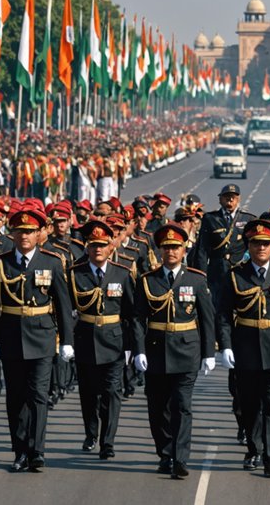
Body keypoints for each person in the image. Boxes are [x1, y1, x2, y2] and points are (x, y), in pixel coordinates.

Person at [0, 208, 75, 472]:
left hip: (42, 336)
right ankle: (20, 450)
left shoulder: (52, 262)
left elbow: (62, 303)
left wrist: (67, 340)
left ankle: (37, 451)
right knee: (15, 397)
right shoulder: (1, 263)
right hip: (11, 337)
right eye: (19, 231)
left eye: (29, 232)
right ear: (11, 234)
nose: (24, 236)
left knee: (37, 395)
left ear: (39, 234)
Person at [217, 219, 270, 478]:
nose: (261, 248)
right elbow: (222, 314)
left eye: (266, 243)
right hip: (245, 347)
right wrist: (226, 346)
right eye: (256, 243)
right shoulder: (236, 275)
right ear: (249, 245)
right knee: (250, 403)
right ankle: (253, 449)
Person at [132, 223, 215, 478]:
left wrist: (209, 353)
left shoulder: (196, 279)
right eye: (167, 247)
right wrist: (138, 350)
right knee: (158, 408)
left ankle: (180, 458)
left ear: (184, 249)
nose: (171, 252)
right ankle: (165, 453)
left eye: (176, 247)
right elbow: (137, 319)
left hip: (186, 349)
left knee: (182, 405)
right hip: (155, 350)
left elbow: (207, 318)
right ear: (159, 251)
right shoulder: (148, 281)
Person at [193, 184, 256, 444]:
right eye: (226, 198)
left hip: (242, 278)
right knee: (220, 315)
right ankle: (220, 342)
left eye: (233, 198)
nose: (230, 202)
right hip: (219, 277)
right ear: (220, 199)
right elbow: (201, 252)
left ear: (238, 199)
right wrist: (200, 279)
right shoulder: (210, 219)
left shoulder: (248, 220)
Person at [68, 220, 134, 460]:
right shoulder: (76, 274)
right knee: (88, 393)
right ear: (87, 247)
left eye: (102, 245)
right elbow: (68, 309)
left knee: (111, 393)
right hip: (85, 339)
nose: (98, 249)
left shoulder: (122, 273)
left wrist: (131, 347)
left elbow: (130, 314)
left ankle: (108, 441)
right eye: (93, 245)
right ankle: (90, 433)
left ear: (110, 248)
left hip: (114, 342)